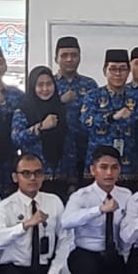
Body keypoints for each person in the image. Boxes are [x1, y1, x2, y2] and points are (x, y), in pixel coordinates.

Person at [63, 146, 134, 274]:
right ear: (93, 170)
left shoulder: (126, 195)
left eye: (114, 167)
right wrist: (99, 210)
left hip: (112, 254)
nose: (109, 173)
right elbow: (66, 221)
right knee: (86, 271)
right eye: (103, 167)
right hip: (86, 252)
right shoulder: (81, 196)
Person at [79, 49, 138, 187]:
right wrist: (112, 117)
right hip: (99, 167)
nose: (118, 73)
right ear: (105, 71)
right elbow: (85, 122)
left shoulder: (136, 97)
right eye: (113, 69)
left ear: (129, 72)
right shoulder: (93, 95)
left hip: (128, 166)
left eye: (122, 69)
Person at [12, 66, 76, 199]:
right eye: (40, 85)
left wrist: (72, 179)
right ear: (32, 87)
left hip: (61, 179)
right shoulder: (24, 110)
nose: (45, 89)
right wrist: (40, 127)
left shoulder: (61, 109)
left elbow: (70, 145)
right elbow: (16, 138)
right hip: (34, 179)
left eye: (49, 84)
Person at [53, 36, 99, 180]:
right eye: (64, 55)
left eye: (74, 55)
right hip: (57, 150)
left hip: (84, 149)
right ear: (56, 59)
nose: (69, 59)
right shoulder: (48, 84)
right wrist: (60, 101)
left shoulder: (90, 84)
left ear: (79, 58)